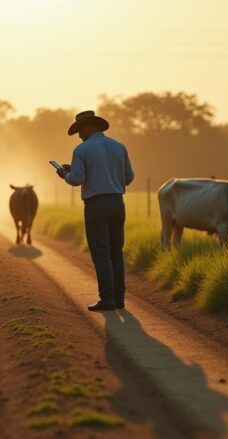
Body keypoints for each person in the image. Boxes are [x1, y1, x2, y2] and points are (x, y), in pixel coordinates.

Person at [56, 110, 134, 311]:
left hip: (95, 205)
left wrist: (65, 173)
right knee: (116, 252)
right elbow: (129, 177)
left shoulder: (82, 150)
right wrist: (111, 180)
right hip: (117, 203)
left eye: (80, 130)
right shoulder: (119, 147)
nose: (79, 135)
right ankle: (119, 299)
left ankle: (106, 299)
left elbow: (76, 179)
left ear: (89, 127)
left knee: (101, 253)